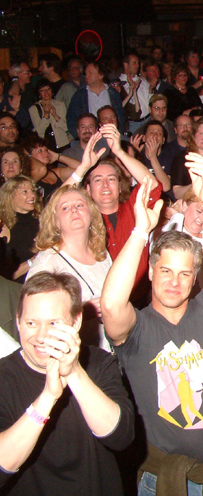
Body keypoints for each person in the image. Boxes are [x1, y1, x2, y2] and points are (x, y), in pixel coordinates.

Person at [101, 165, 203, 495]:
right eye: (166, 271)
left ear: (195, 278)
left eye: (185, 274)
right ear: (151, 272)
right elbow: (112, 305)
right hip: (165, 480)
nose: (174, 281)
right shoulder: (137, 329)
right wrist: (140, 232)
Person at [0, 272, 135, 496]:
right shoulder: (4, 377)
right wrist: (47, 397)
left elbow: (121, 437)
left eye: (53, 323)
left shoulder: (99, 363)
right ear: (18, 321)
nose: (41, 336)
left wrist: (73, 372)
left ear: (76, 321)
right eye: (31, 323)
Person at [28, 184, 113, 351]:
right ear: (55, 222)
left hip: (111, 353)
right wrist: (82, 312)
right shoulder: (47, 264)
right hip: (74, 355)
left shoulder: (101, 253)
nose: (74, 210)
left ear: (91, 213)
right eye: (65, 208)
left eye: (80, 205)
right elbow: (33, 323)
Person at [84, 124, 163, 304]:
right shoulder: (82, 219)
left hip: (140, 302)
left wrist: (119, 152)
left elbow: (151, 184)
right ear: (88, 189)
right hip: (99, 305)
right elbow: (58, 205)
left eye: (111, 179)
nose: (105, 185)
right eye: (98, 180)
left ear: (120, 187)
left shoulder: (134, 209)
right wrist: (82, 168)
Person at [66, 61, 126, 138]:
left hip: (111, 135)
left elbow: (120, 115)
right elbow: (71, 118)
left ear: (101, 75)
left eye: (90, 73)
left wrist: (119, 132)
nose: (87, 76)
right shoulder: (80, 95)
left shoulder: (112, 93)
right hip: (90, 137)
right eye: (86, 73)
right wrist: (81, 136)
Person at [0, 176, 41, 282]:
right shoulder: (4, 227)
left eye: (32, 190)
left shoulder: (41, 219)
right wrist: (33, 260)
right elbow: (5, 276)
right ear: (10, 196)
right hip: (20, 287)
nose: (32, 195)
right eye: (25, 192)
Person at [171, 117, 203, 200]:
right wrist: (198, 183)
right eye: (201, 134)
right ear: (194, 134)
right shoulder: (181, 157)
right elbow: (177, 193)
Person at [29, 81, 70, 151]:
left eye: (48, 89)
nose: (46, 92)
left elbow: (66, 127)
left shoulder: (60, 105)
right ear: (39, 93)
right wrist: (46, 115)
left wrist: (55, 116)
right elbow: (39, 131)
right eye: (42, 90)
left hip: (62, 144)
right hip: (45, 146)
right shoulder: (34, 109)